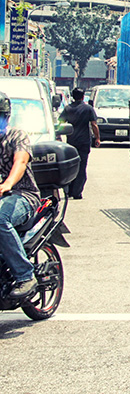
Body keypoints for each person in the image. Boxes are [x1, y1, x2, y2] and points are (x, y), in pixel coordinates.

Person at [0, 91, 43, 298]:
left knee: (0, 219)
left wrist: (7, 183)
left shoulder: (16, 136)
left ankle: (25, 275)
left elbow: (21, 162)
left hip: (22, 195)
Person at [59, 87, 99, 200]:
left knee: (71, 166)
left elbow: (60, 122)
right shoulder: (88, 109)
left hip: (71, 142)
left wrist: (59, 136)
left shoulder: (68, 109)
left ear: (73, 96)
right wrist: (97, 138)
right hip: (84, 142)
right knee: (82, 167)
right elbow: (94, 125)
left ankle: (70, 190)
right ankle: (77, 192)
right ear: (83, 97)